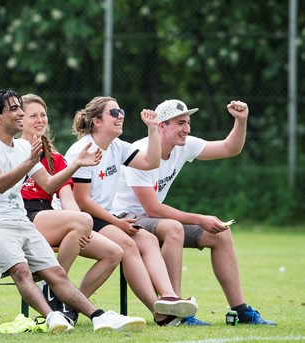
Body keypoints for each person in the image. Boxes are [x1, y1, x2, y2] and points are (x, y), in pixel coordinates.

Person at [0, 89, 145, 333]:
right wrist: (29, 162)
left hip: (21, 222)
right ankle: (52, 317)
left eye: (22, 108)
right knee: (20, 270)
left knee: (58, 274)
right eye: (15, 109)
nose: (20, 113)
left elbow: (49, 184)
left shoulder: (21, 147)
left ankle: (100, 316)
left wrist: (76, 164)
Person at [111, 99, 276, 325]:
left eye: (188, 122)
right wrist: (200, 219)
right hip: (126, 219)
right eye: (180, 123)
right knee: (173, 228)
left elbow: (230, 148)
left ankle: (240, 311)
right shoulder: (141, 151)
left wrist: (241, 120)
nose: (187, 129)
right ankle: (177, 310)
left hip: (152, 219)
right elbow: (152, 208)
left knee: (221, 233)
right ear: (161, 126)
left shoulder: (184, 145)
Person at [67, 96, 199, 326]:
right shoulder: (84, 148)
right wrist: (118, 223)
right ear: (97, 121)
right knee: (127, 245)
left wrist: (152, 129)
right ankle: (160, 314)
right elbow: (82, 201)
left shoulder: (117, 147)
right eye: (114, 112)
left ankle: (168, 297)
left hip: (101, 217)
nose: (121, 116)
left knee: (146, 239)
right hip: (79, 218)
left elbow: (151, 162)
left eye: (122, 111)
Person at [19, 94, 124, 325]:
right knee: (81, 222)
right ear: (19, 119)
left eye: (43, 114)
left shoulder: (55, 158)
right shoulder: (13, 150)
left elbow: (67, 198)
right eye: (32, 115)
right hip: (22, 217)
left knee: (113, 252)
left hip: (47, 215)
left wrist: (83, 225)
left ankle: (68, 303)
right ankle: (53, 285)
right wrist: (82, 222)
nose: (40, 119)